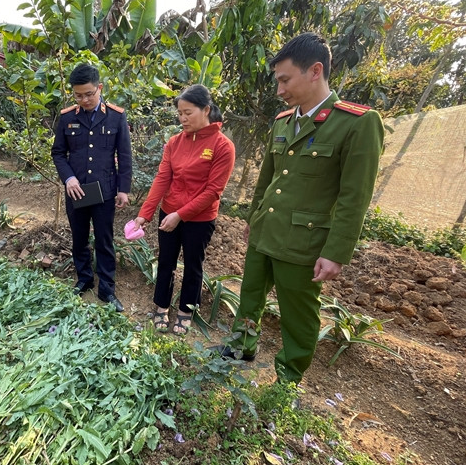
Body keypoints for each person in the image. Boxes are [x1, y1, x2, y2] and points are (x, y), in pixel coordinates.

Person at [215, 32, 384, 384]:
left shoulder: (356, 123)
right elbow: (268, 178)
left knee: (298, 314)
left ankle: (288, 378)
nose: (279, 89)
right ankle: (242, 346)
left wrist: (336, 252)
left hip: (303, 242)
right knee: (250, 296)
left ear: (315, 71)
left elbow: (354, 197)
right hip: (265, 231)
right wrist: (253, 218)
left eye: (285, 80)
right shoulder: (283, 121)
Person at [132, 84, 235, 334]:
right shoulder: (174, 143)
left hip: (200, 219)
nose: (182, 118)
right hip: (169, 212)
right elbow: (162, 179)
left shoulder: (223, 146)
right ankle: (161, 306)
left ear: (206, 110)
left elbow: (213, 191)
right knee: (166, 261)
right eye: (180, 113)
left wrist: (180, 215)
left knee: (193, 264)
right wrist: (144, 214)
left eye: (188, 112)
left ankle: (186, 310)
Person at [51, 64, 132, 312]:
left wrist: (123, 189)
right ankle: (84, 279)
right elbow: (58, 153)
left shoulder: (116, 116)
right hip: (76, 191)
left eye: (89, 94)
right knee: (79, 238)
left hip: (104, 191)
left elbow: (124, 155)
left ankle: (107, 289)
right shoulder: (68, 117)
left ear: (100, 88)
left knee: (104, 240)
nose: (84, 100)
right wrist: (69, 179)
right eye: (78, 95)